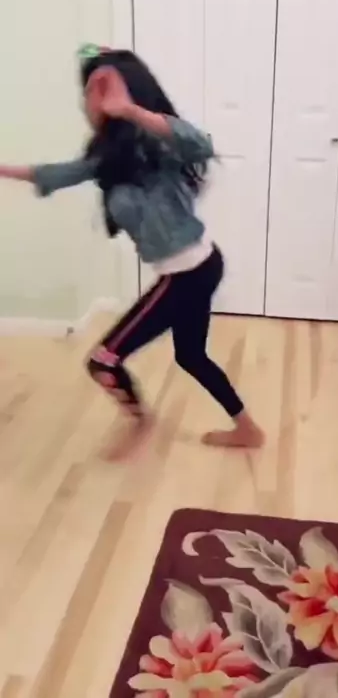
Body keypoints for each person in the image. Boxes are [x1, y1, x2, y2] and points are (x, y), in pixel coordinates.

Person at [0, 45, 264, 459]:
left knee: (103, 360)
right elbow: (59, 173)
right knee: (191, 355)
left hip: (189, 273)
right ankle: (247, 429)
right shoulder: (108, 155)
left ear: (129, 91)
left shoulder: (155, 144)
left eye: (103, 87)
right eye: (90, 89)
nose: (93, 98)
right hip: (194, 267)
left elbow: (199, 144)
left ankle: (141, 424)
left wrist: (131, 111)